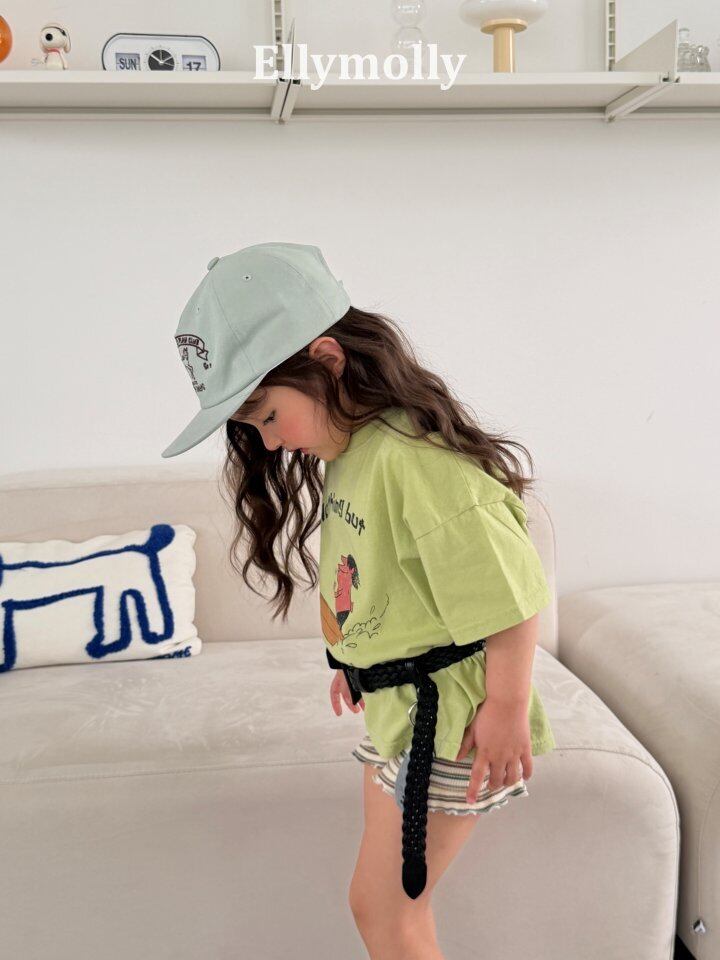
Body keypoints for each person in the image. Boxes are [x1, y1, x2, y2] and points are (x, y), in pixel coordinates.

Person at [161, 241, 556, 960]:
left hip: (454, 719)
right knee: (385, 908)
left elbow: (509, 597)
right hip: (400, 706)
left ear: (327, 359)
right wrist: (358, 658)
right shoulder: (354, 450)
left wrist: (505, 707)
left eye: (268, 415)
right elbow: (381, 575)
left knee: (385, 910)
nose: (270, 443)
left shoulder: (418, 462)